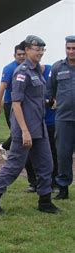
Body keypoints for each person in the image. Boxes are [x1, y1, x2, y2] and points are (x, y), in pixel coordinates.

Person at [0, 35, 59, 214]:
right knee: (15, 165)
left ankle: (45, 201)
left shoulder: (37, 71)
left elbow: (35, 99)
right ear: (26, 50)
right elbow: (16, 103)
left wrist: (48, 103)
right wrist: (24, 131)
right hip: (24, 128)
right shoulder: (21, 72)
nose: (39, 52)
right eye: (36, 49)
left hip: (38, 127)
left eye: (42, 49)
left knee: (46, 164)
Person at [0, 41, 37, 191]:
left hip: (26, 107)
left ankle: (5, 146)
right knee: (21, 138)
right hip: (12, 105)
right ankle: (31, 180)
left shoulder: (31, 68)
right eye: (19, 55)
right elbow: (2, 87)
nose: (21, 57)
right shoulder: (10, 68)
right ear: (14, 55)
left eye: (23, 54)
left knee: (27, 138)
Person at [46, 35, 75, 200]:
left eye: (74, 48)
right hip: (64, 118)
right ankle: (63, 188)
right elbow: (50, 92)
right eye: (68, 48)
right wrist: (52, 104)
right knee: (63, 154)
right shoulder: (57, 67)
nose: (71, 51)